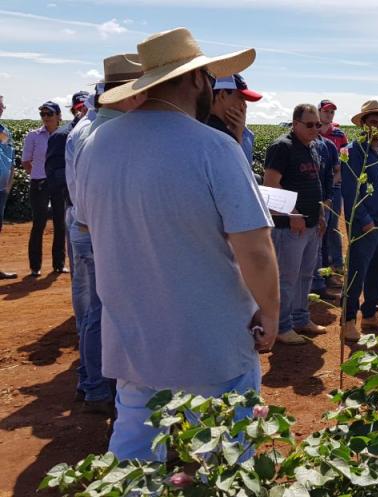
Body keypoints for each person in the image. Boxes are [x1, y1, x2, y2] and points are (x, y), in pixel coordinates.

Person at [77, 27, 278, 461]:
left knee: (134, 460)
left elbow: (90, 226)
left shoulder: (95, 146)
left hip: (132, 339)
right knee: (226, 459)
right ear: (194, 80)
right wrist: (272, 313)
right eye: (207, 75)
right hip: (211, 341)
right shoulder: (215, 148)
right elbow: (256, 249)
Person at [64, 53, 146, 415]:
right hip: (97, 230)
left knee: (90, 310)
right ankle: (98, 386)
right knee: (103, 311)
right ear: (129, 93)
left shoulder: (87, 126)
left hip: (84, 226)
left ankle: (88, 380)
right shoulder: (108, 133)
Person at [264, 104, 329, 345]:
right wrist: (293, 214)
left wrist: (319, 214)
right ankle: (282, 326)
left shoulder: (311, 148)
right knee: (287, 278)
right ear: (295, 124)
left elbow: (314, 185)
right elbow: (271, 184)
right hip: (289, 226)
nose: (315, 128)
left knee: (305, 275)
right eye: (310, 124)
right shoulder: (283, 147)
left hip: (311, 225)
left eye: (317, 124)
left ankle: (301, 319)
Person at [341, 100, 378, 340]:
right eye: (372, 122)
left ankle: (371, 314)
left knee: (377, 271)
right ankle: (347, 321)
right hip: (365, 224)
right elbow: (350, 189)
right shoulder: (353, 152)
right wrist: (364, 219)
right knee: (357, 272)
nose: (377, 126)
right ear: (363, 124)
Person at [45, 90, 90, 271]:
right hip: (74, 207)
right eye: (79, 108)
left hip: (95, 209)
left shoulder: (100, 131)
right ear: (73, 110)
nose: (83, 111)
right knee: (81, 271)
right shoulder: (61, 136)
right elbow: (53, 173)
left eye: (86, 107)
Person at [23, 101, 65, 276]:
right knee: (38, 224)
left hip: (59, 184)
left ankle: (58, 264)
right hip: (39, 183)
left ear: (58, 116)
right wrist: (39, 175)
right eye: (43, 115)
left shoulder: (65, 136)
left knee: (60, 223)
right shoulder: (33, 136)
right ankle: (35, 266)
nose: (46, 118)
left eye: (49, 114)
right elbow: (26, 161)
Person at [317, 99, 347, 279]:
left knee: (332, 225)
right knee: (318, 226)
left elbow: (343, 165)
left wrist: (330, 183)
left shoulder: (339, 135)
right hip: (315, 187)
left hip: (334, 187)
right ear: (319, 111)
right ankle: (321, 263)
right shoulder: (312, 131)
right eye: (326, 111)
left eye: (332, 112)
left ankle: (336, 263)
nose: (329, 115)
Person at [206, 73, 262, 165]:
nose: (244, 105)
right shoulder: (215, 136)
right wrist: (236, 139)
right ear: (222, 95)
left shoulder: (242, 133)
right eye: (241, 98)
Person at [0, 95, 16, 279]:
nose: (1, 108)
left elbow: (9, 158)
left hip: (2, 189)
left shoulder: (5, 131)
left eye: (2, 105)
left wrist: (9, 183)